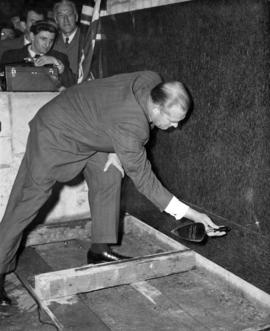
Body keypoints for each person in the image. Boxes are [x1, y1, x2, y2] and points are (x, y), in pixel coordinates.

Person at [0, 70, 225, 305]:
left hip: (90, 128)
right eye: (172, 120)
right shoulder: (131, 127)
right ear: (156, 108)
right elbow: (145, 180)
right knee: (25, 204)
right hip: (54, 133)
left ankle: (98, 251)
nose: (176, 126)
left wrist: (116, 149)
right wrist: (193, 214)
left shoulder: (151, 81)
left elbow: (115, 110)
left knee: (109, 174)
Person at [1, 20, 75, 89]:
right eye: (43, 39)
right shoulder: (10, 56)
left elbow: (72, 85)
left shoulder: (59, 57)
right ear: (32, 36)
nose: (47, 44)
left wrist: (56, 63)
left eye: (51, 40)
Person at [52, 0, 84, 80]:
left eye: (69, 15)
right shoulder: (51, 42)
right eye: (61, 16)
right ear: (56, 20)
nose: (65, 20)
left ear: (76, 17)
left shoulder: (87, 40)